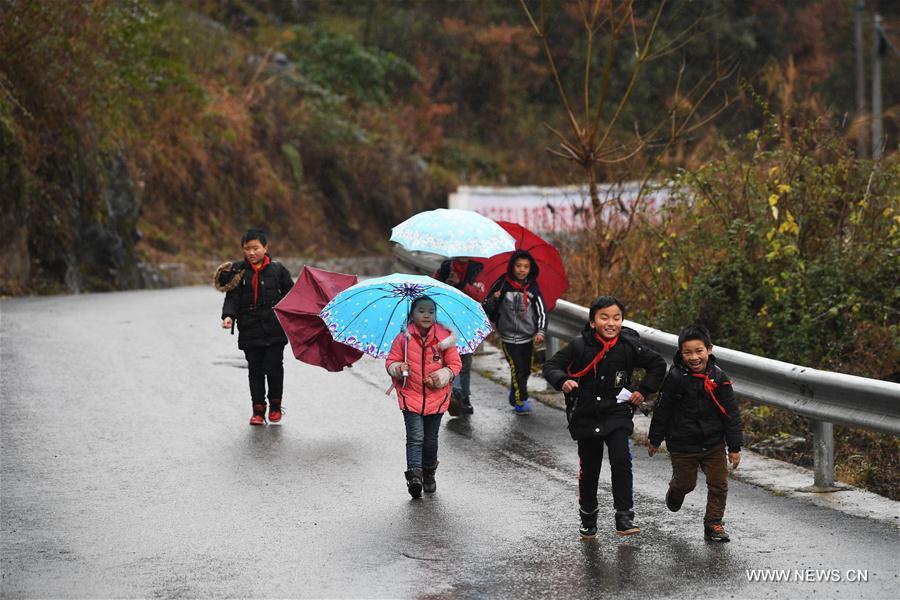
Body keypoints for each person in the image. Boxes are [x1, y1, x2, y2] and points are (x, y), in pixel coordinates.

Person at [542, 295, 666, 538]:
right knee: (589, 468)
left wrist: (642, 391)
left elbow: (658, 365)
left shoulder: (629, 346)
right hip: (586, 414)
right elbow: (551, 366)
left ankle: (624, 516)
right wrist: (563, 380)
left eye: (617, 318)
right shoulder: (579, 346)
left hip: (617, 413)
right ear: (592, 322)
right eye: (604, 317)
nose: (611, 323)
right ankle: (588, 516)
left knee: (621, 460)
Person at [648, 324, 743, 542]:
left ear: (709, 349)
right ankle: (675, 491)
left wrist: (734, 447)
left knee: (719, 484)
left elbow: (731, 413)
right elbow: (662, 410)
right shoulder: (674, 378)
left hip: (714, 443)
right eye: (688, 352)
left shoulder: (719, 378)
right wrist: (655, 439)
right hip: (682, 444)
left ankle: (714, 525)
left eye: (699, 351)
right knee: (686, 484)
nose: (694, 357)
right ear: (681, 353)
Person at [386, 296, 462, 498]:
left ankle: (429, 472)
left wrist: (441, 376)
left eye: (431, 311)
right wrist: (398, 368)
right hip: (410, 395)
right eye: (421, 311)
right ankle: (414, 476)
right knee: (415, 437)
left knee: (430, 440)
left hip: (437, 399)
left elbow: (455, 365)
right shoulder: (403, 338)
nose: (426, 315)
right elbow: (390, 362)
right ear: (412, 314)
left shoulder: (444, 339)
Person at [219, 229, 294, 426]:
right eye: (247, 249)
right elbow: (232, 298)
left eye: (255, 248)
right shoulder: (238, 271)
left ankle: (275, 405)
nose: (251, 253)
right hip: (249, 328)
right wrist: (228, 316)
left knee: (274, 368)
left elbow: (293, 295)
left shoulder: (278, 271)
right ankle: (258, 410)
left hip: (275, 328)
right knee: (255, 370)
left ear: (265, 248)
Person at [482, 250, 546, 414]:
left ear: (530, 269)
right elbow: (486, 307)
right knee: (516, 367)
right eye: (518, 266)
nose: (522, 270)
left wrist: (540, 331)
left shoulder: (533, 288)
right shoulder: (503, 284)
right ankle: (520, 400)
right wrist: (494, 299)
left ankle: (515, 391)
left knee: (525, 369)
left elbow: (541, 311)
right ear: (512, 267)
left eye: (526, 266)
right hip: (508, 337)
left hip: (527, 337)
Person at [432, 257, 484, 416]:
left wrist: (461, 284)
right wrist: (446, 284)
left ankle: (464, 396)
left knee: (465, 361)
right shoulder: (445, 268)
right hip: (446, 320)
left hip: (467, 321)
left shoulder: (477, 270)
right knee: (448, 359)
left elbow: (480, 295)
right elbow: (432, 291)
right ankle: (453, 393)